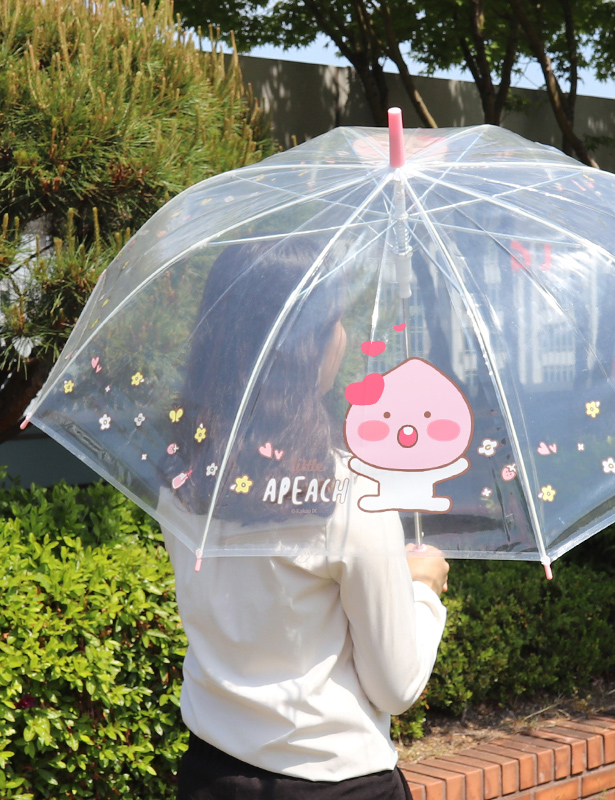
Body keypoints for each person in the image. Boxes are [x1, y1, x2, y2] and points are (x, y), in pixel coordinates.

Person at [157, 237, 449, 799]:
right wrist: (423, 591)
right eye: (332, 321)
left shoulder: (182, 476)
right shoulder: (349, 498)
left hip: (210, 775)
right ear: (303, 347)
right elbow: (395, 687)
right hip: (335, 782)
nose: (342, 337)